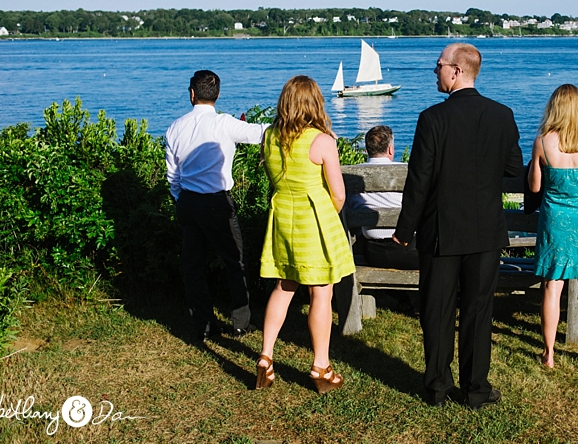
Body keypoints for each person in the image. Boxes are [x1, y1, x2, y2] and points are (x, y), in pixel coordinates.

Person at [393, 43, 522, 410]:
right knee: (478, 312)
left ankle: (436, 386)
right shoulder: (502, 115)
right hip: (485, 231)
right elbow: (513, 168)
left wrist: (404, 231)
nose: (434, 72)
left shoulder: (432, 119)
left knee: (437, 309)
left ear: (456, 71)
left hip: (441, 230)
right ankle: (476, 388)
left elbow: (418, 182)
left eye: (438, 66)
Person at [254, 76, 355, 393]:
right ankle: (321, 366)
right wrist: (329, 215)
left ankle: (266, 356)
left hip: (283, 218)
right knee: (320, 293)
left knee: (284, 286)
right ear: (315, 103)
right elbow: (338, 194)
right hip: (315, 221)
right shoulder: (322, 141)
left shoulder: (270, 137)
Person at [165, 69, 267, 343]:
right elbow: (260, 133)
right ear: (218, 94)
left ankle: (204, 325)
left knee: (193, 266)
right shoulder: (225, 123)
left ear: (191, 94)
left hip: (188, 201)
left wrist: (181, 198)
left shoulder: (175, 127)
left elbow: (172, 176)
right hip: (218, 203)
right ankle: (241, 323)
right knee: (235, 261)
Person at [528, 84, 578, 368]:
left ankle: (548, 353)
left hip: (555, 219)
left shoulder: (543, 143)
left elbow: (535, 186)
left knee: (553, 285)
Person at [348, 125, 419, 270]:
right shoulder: (409, 171)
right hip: (411, 250)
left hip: (374, 254)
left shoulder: (352, 175)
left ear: (367, 150)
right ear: (390, 149)